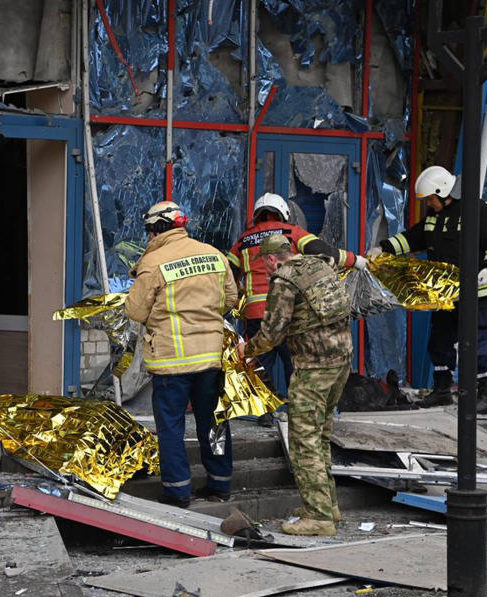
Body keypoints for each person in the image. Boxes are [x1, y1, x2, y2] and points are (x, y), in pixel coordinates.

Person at [367, 166, 487, 412]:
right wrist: (384, 248)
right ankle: (442, 390)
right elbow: (413, 238)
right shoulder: (435, 218)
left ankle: (484, 395)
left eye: (430, 199)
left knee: (480, 343)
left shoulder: (475, 211)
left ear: (443, 192)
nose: (429, 204)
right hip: (446, 294)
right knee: (440, 342)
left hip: (477, 294)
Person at [125, 201, 238, 507]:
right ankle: (220, 484)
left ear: (155, 230)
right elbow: (231, 298)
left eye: (149, 232)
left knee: (172, 428)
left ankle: (178, 490)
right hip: (211, 359)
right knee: (213, 423)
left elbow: (135, 311)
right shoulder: (214, 255)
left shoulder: (153, 262)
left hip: (170, 362)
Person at [238, 234, 352, 536]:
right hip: (341, 361)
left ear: (271, 259)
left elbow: (272, 333)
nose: (265, 269)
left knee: (303, 441)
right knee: (321, 434)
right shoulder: (319, 266)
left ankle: (319, 518)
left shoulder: (284, 280)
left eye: (264, 263)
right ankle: (328, 505)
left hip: (314, 367)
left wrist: (246, 350)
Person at [227, 193, 367, 427]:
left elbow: (229, 274)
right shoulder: (291, 232)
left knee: (261, 362)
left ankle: (265, 413)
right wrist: (356, 260)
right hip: (289, 309)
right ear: (283, 212)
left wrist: (232, 303)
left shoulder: (243, 240)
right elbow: (325, 251)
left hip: (255, 312)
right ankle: (300, 408)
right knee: (295, 360)